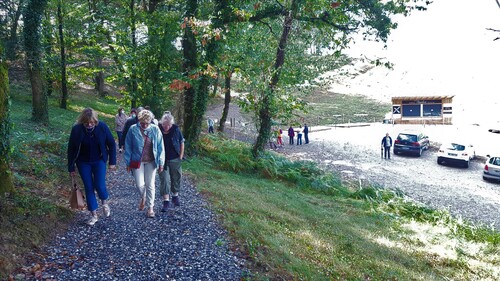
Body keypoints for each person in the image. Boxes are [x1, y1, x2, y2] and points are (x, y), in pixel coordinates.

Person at [67, 108, 116, 226]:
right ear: (82, 121)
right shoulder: (76, 130)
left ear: (95, 121)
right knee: (88, 187)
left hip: (99, 160)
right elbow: (71, 149)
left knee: (99, 185)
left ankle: (104, 202)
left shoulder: (102, 127)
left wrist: (112, 162)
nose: (89, 125)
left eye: (92, 122)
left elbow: (111, 144)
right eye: (86, 123)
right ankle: (94, 215)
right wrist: (71, 167)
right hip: (83, 162)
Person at [124, 109, 165, 218]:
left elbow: (161, 147)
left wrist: (161, 163)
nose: (145, 125)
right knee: (139, 184)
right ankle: (144, 197)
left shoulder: (155, 130)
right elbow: (128, 146)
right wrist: (127, 162)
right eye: (143, 123)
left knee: (150, 184)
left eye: (147, 123)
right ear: (139, 121)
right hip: (137, 161)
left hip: (151, 161)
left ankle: (150, 208)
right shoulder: (133, 129)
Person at [158, 111, 185, 212]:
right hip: (162, 159)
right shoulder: (158, 128)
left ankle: (175, 195)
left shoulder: (176, 129)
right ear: (162, 123)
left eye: (169, 125)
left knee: (176, 176)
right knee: (164, 179)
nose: (167, 127)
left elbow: (182, 142)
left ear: (171, 124)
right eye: (165, 125)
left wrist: (181, 156)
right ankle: (166, 201)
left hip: (174, 158)